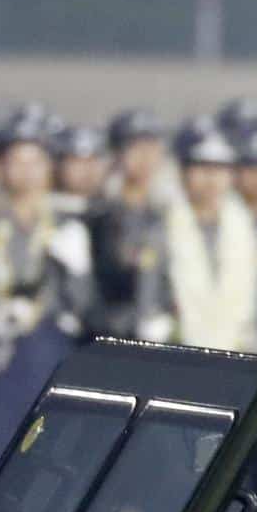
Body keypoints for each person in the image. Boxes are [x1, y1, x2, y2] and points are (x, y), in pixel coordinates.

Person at [0, 113, 91, 474]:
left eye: (34, 161)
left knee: (52, 466)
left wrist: (79, 271)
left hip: (51, 354)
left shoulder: (65, 224)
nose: (25, 171)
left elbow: (84, 306)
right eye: (16, 161)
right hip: (0, 357)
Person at [152, 122, 257, 353]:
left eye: (220, 169)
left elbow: (255, 310)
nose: (211, 178)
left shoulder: (245, 229)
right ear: (184, 173)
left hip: (237, 353)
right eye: (202, 168)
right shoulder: (163, 228)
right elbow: (149, 301)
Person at [89, 107, 169, 340]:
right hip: (115, 332)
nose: (144, 158)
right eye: (135, 148)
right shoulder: (101, 215)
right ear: (117, 154)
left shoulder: (171, 213)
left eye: (151, 148)